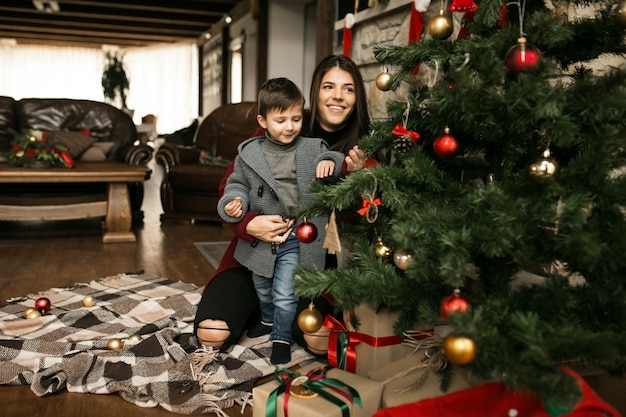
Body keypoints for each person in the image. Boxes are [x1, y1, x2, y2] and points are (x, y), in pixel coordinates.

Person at [194, 55, 372, 356]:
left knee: (317, 337)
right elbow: (232, 185)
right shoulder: (281, 125)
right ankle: (258, 310)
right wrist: (247, 223)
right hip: (255, 253)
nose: (338, 96)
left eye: (349, 89)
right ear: (315, 93)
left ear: (358, 98)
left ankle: (277, 318)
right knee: (212, 332)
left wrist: (356, 180)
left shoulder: (362, 149)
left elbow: (365, 221)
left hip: (314, 265)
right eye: (329, 86)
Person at [217, 77, 345, 364]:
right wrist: (233, 203)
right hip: (264, 236)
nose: (290, 126)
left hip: (296, 235)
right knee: (262, 285)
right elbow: (236, 184)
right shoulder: (249, 153)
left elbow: (334, 158)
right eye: (281, 120)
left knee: (285, 291)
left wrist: (332, 162)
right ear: (263, 121)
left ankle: (281, 336)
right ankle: (266, 318)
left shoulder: (312, 148)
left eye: (296, 119)